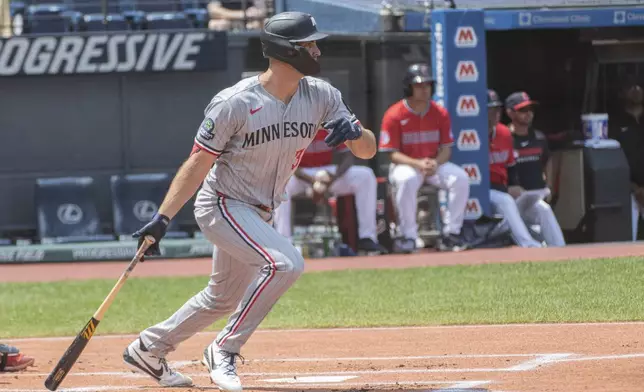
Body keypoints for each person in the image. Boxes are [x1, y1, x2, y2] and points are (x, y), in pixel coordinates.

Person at [122, 11, 378, 392]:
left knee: (221, 298)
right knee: (285, 263)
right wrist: (163, 218)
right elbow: (197, 163)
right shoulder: (236, 102)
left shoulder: (322, 95)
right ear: (286, 51)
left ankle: (149, 348)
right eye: (309, 44)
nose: (317, 49)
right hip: (223, 203)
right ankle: (224, 349)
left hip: (260, 210)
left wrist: (357, 133)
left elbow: (368, 152)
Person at [378, 63, 470, 253]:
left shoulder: (440, 113)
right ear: (408, 87)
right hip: (407, 164)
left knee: (460, 178)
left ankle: (452, 234)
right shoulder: (394, 114)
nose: (424, 89)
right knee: (406, 179)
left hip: (433, 164)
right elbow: (391, 154)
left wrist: (436, 162)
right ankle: (409, 236)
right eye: (419, 85)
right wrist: (418, 163)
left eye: (427, 85)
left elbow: (446, 149)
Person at [273, 128, 387, 255]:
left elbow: (347, 158)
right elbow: (286, 163)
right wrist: (314, 182)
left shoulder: (330, 123)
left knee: (365, 176)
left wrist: (331, 179)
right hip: (301, 174)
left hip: (328, 174)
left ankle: (367, 238)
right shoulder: (294, 125)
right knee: (280, 182)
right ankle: (283, 240)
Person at [505, 91, 566, 247]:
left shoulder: (539, 137)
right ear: (510, 113)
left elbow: (548, 160)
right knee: (543, 209)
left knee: (543, 209)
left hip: (537, 194)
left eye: (530, 110)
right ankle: (558, 248)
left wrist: (549, 184)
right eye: (523, 110)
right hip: (514, 199)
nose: (528, 114)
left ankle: (558, 249)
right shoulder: (504, 138)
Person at [487, 89, 543, 248]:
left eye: (497, 108)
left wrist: (513, 185)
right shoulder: (471, 136)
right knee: (505, 200)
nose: (495, 113)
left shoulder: (504, 133)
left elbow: (511, 167)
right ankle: (528, 245)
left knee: (542, 207)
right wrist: (507, 189)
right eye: (490, 109)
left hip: (504, 189)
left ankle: (559, 247)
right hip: (485, 191)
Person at [608, 77, 644, 241]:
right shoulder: (614, 124)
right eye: (630, 86)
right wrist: (635, 188)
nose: (636, 89)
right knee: (627, 238)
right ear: (621, 93)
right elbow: (611, 161)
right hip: (628, 189)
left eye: (639, 85)